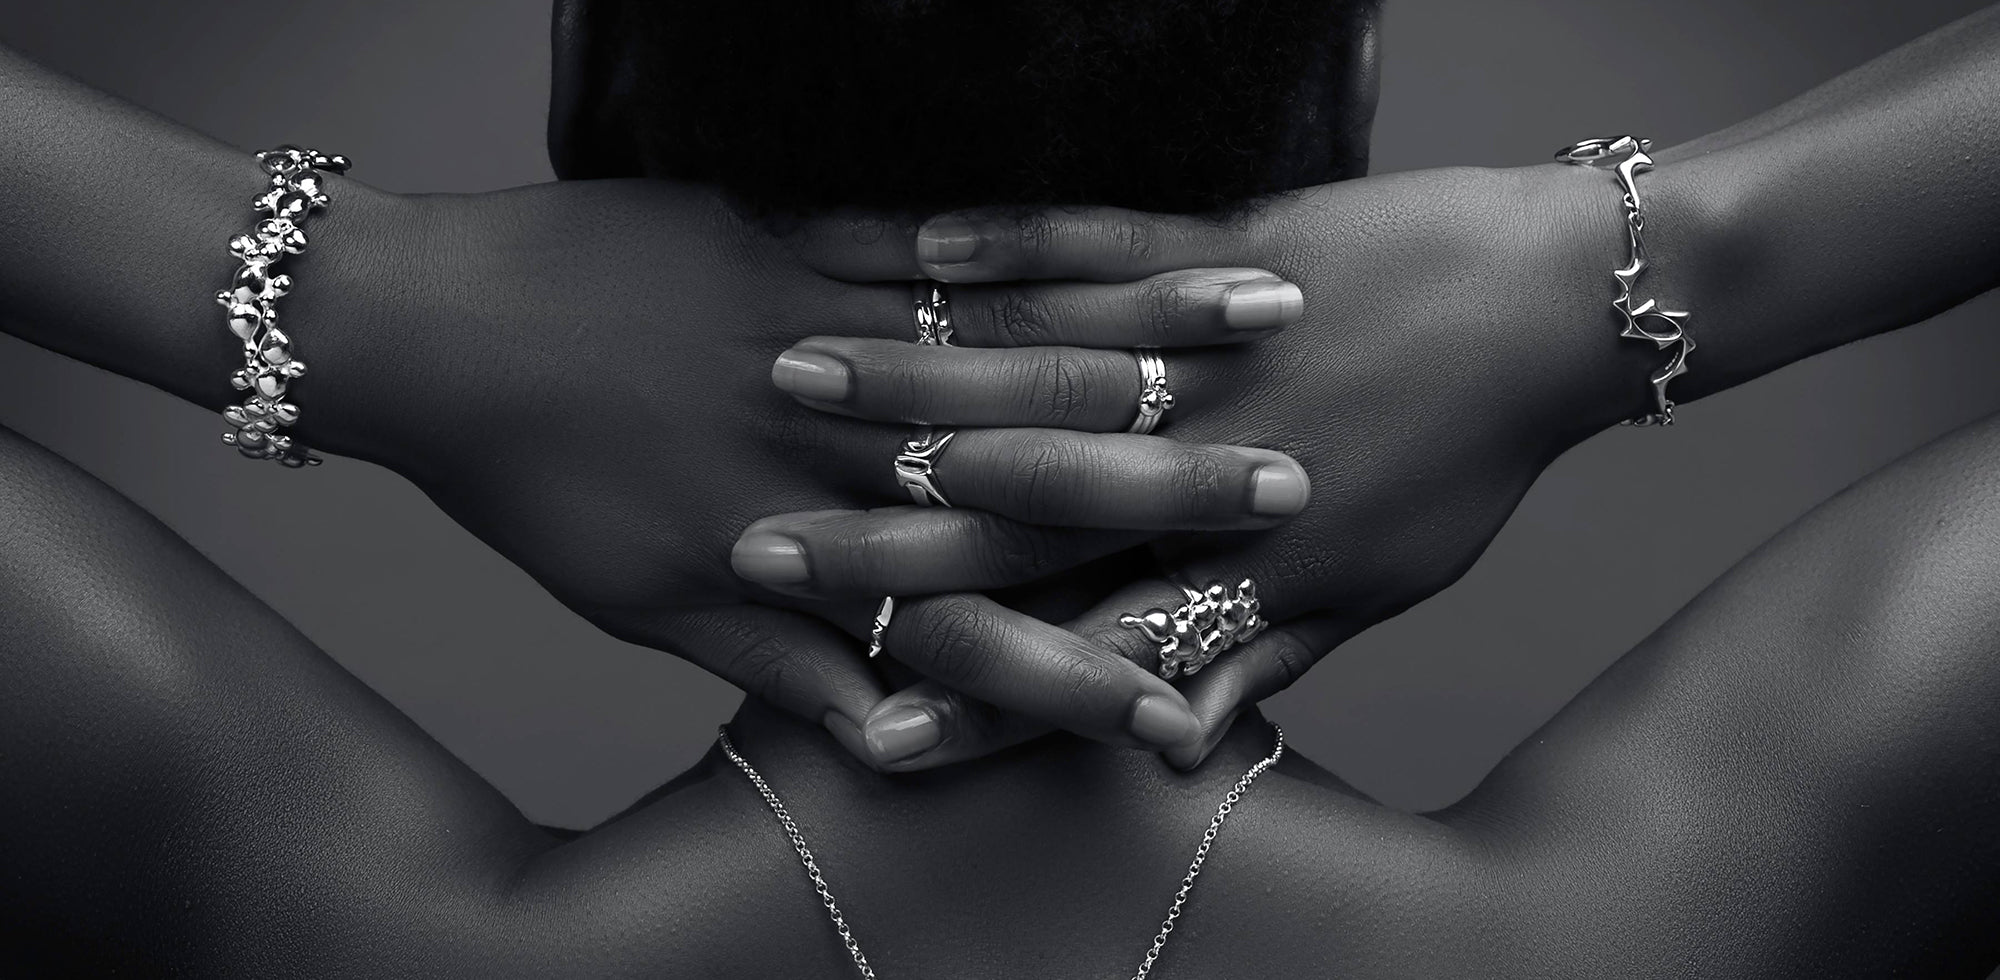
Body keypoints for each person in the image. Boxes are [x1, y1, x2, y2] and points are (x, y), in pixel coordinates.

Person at [1, 2, 1998, 978]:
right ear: (1359, 86)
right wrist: (1661, 264)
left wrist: (354, 302)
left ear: (583, 86)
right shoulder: (1674, 917)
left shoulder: (299, 910)